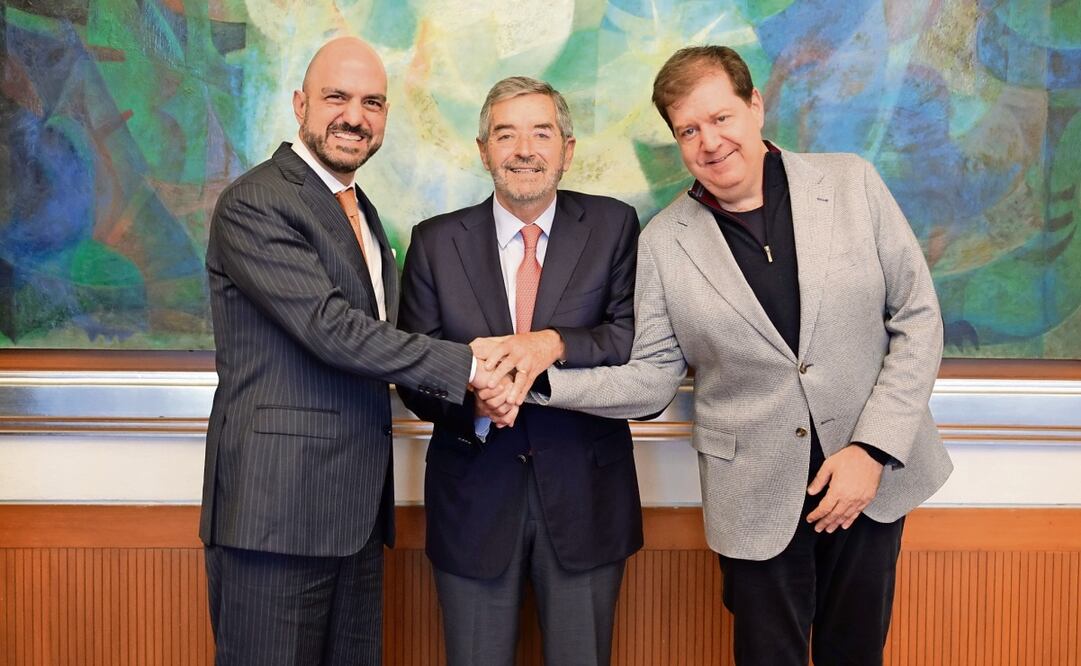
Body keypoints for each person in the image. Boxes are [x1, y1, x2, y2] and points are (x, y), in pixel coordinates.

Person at [477, 46, 953, 666]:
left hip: (870, 480)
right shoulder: (664, 242)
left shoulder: (852, 183)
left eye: (721, 117)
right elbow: (650, 381)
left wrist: (872, 450)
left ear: (755, 106)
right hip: (753, 495)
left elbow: (918, 317)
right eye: (688, 130)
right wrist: (539, 384)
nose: (709, 141)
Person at [199, 37, 501, 665]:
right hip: (275, 516)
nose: (355, 117)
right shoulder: (258, 201)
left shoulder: (360, 210)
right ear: (300, 104)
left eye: (373, 102)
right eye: (336, 97)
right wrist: (470, 367)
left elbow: (372, 347)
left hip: (354, 517)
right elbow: (330, 328)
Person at [396, 76, 643, 666]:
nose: (524, 149)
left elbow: (631, 338)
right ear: (483, 151)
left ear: (568, 149)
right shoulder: (433, 242)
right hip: (473, 500)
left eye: (541, 133)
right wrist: (474, 402)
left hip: (586, 496)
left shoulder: (614, 227)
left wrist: (550, 345)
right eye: (505, 135)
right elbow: (414, 371)